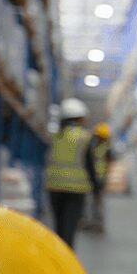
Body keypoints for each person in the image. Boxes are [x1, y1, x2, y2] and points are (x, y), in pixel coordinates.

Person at [44, 98, 97, 247]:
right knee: (69, 227)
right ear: (80, 117)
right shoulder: (85, 136)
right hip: (76, 189)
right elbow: (89, 163)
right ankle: (66, 259)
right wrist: (95, 184)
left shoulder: (55, 136)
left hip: (54, 186)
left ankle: (57, 255)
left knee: (59, 225)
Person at [82, 122, 114, 233]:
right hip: (90, 176)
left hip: (100, 177)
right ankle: (87, 221)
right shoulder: (91, 145)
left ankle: (98, 223)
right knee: (88, 200)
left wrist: (105, 177)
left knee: (98, 201)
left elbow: (108, 163)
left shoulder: (106, 148)